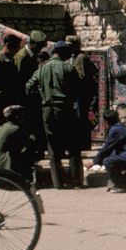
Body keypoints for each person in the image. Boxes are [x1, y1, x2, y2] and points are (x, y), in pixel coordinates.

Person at [26, 41, 84, 189]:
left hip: (47, 110)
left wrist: (42, 94)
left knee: (53, 147)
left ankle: (58, 182)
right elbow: (77, 89)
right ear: (62, 53)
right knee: (72, 145)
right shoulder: (68, 68)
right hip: (64, 109)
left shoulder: (42, 69)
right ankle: (76, 181)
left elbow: (28, 86)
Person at [91, 108, 126, 192]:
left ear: (106, 122)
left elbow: (106, 148)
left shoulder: (116, 130)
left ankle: (121, 185)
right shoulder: (120, 126)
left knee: (108, 161)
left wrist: (94, 161)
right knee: (113, 156)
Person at [0, 104, 37, 184]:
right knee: (30, 148)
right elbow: (26, 145)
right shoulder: (15, 129)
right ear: (17, 117)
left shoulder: (2, 128)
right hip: (2, 170)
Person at [68, 35, 100, 156]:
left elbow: (80, 76)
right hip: (79, 93)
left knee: (81, 118)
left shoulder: (80, 58)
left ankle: (83, 143)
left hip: (81, 94)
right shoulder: (75, 57)